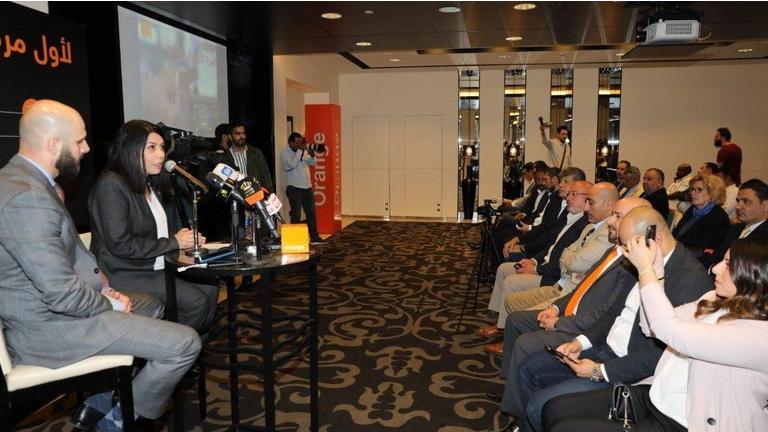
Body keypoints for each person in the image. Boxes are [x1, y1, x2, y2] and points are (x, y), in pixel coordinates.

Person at [0, 100, 200, 431]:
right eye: (79, 140)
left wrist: (103, 285)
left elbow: (64, 260)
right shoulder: (27, 197)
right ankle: (119, 419)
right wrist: (109, 302)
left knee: (149, 305)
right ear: (53, 144)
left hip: (56, 313)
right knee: (186, 343)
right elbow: (61, 294)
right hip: (50, 330)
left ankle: (112, 397)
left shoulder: (25, 181)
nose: (86, 148)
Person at [543, 238, 768, 432]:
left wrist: (645, 270)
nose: (716, 268)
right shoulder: (713, 299)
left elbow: (669, 330)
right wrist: (658, 273)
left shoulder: (759, 337)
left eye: (728, 265)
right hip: (656, 396)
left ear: (754, 276)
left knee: (565, 427)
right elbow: (651, 326)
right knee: (554, 410)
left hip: (685, 422)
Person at [515, 207, 709, 432]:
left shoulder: (690, 280)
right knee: (529, 367)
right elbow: (612, 314)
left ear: (654, 238)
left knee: (540, 406)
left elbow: (657, 354)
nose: (624, 252)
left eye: (628, 245)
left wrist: (600, 371)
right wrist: (579, 343)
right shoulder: (640, 261)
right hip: (605, 349)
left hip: (629, 372)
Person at [491, 198, 653, 423]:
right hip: (570, 309)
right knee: (516, 320)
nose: (610, 221)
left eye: (617, 216)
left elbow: (604, 316)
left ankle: (516, 409)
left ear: (637, 223)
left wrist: (559, 323)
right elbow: (581, 286)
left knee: (526, 344)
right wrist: (556, 307)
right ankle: (512, 389)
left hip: (584, 327)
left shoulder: (632, 266)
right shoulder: (614, 251)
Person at [89, 120, 219, 332]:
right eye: (152, 147)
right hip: (125, 273)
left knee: (210, 288)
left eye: (162, 147)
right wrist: (173, 242)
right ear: (131, 149)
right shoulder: (111, 185)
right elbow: (121, 245)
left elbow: (151, 232)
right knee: (196, 302)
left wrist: (181, 239)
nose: (161, 155)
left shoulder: (149, 183)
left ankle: (193, 345)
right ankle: (176, 346)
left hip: (154, 266)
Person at [481, 181, 592, 354]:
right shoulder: (569, 216)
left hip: (553, 276)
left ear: (587, 199)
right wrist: (533, 261)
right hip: (545, 265)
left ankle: (506, 335)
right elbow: (550, 245)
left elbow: (564, 262)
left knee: (511, 282)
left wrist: (536, 269)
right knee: (503, 269)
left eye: (573, 194)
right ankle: (501, 323)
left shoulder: (585, 224)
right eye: (568, 193)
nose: (568, 197)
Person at [672, 174, 730, 266]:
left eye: (699, 190)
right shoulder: (692, 210)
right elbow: (676, 234)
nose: (693, 193)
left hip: (693, 264)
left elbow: (708, 253)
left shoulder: (719, 217)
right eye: (692, 189)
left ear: (712, 193)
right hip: (678, 255)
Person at [280, 132, 326, 245]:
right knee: (296, 215)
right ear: (290, 143)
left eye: (301, 142)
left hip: (307, 188)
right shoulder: (285, 153)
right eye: (297, 142)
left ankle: (314, 237)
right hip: (294, 188)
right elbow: (291, 165)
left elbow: (313, 163)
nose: (300, 144)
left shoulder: (303, 151)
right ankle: (294, 240)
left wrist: (312, 155)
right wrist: (300, 151)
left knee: (311, 214)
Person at [228, 121, 274, 192]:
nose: (242, 136)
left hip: (256, 195)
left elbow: (265, 176)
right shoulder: (225, 156)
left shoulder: (256, 153)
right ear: (230, 136)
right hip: (236, 196)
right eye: (238, 134)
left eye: (243, 133)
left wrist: (270, 194)